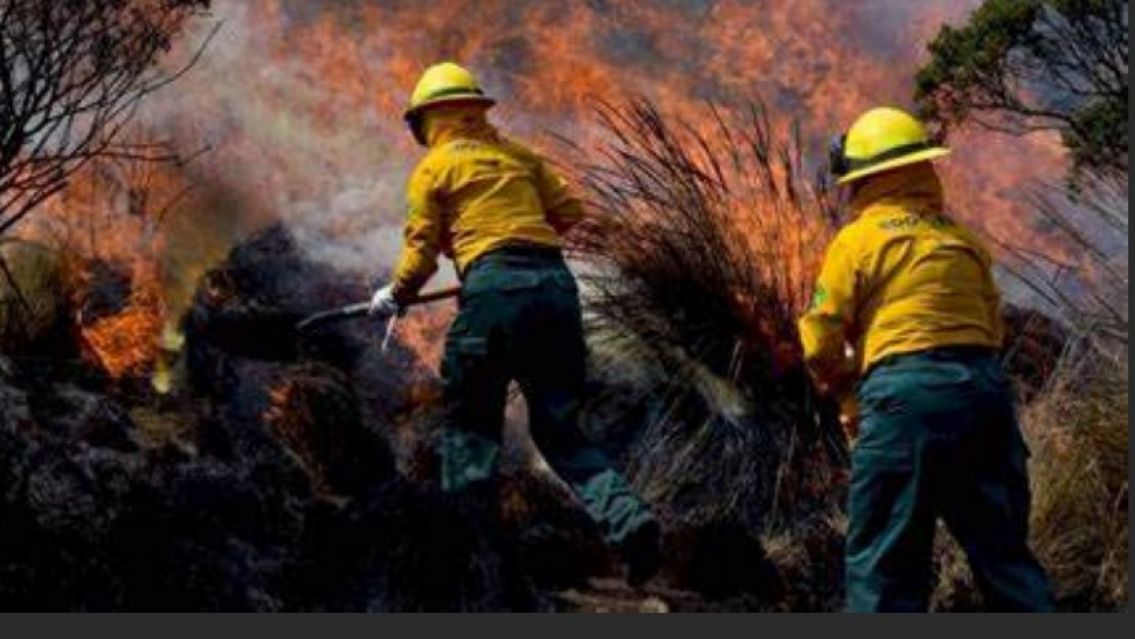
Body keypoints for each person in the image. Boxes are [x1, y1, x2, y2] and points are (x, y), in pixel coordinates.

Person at [370, 62, 661, 584]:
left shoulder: (434, 169)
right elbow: (570, 212)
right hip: (554, 289)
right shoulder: (519, 156)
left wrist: (395, 295)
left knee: (473, 426)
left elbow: (420, 252)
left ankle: (469, 548)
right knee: (560, 430)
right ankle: (629, 519)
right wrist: (518, 238)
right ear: (476, 111)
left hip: (492, 295)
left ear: (427, 120)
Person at [798, 106, 1054, 612]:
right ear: (923, 169)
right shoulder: (965, 243)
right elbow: (992, 329)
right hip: (984, 398)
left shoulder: (857, 241)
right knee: (1004, 558)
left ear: (863, 180)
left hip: (902, 399)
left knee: (884, 570)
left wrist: (847, 389)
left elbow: (819, 334)